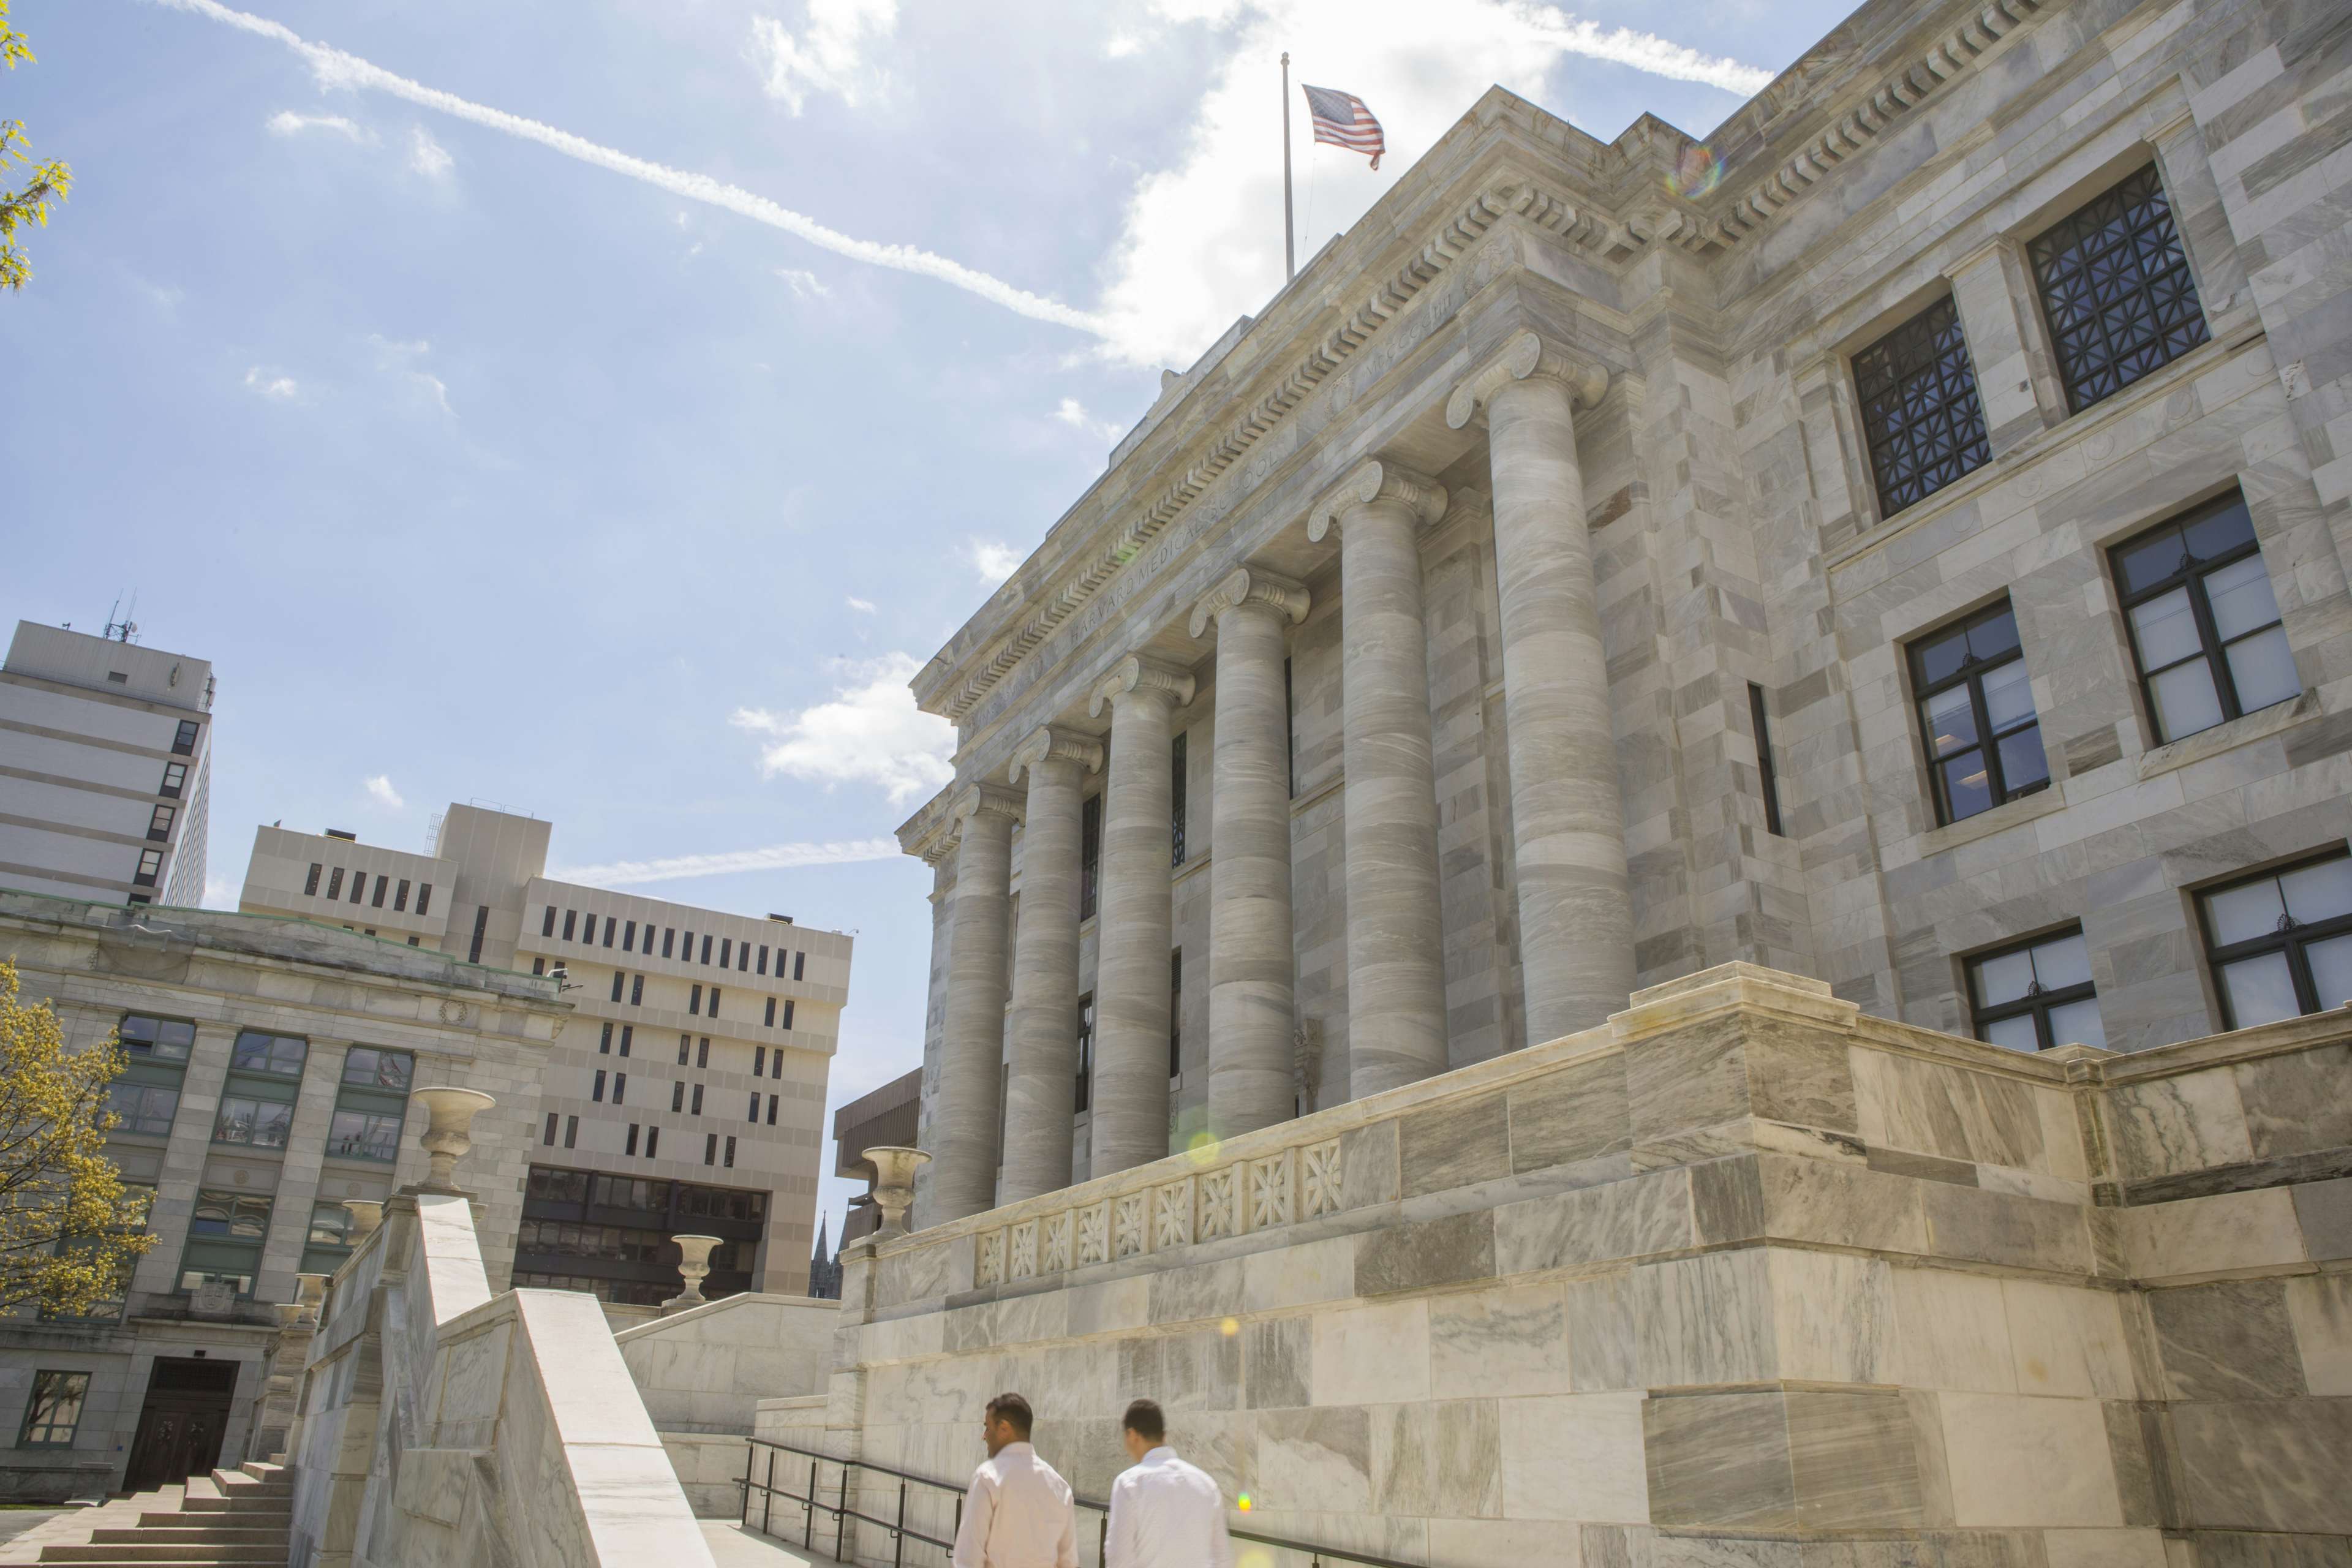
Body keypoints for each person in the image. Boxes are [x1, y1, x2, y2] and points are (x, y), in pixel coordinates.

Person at [951, 1392, 1078, 1568]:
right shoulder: (1060, 1487)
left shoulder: (989, 1477)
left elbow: (968, 1558)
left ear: (1004, 1428)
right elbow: (1068, 1562)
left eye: (988, 1427)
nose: (984, 1436)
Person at [1104, 1398, 1234, 1568]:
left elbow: (1119, 1559)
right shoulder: (1207, 1485)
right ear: (1164, 1436)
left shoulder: (1129, 1484)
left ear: (1132, 1435)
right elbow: (1222, 1559)